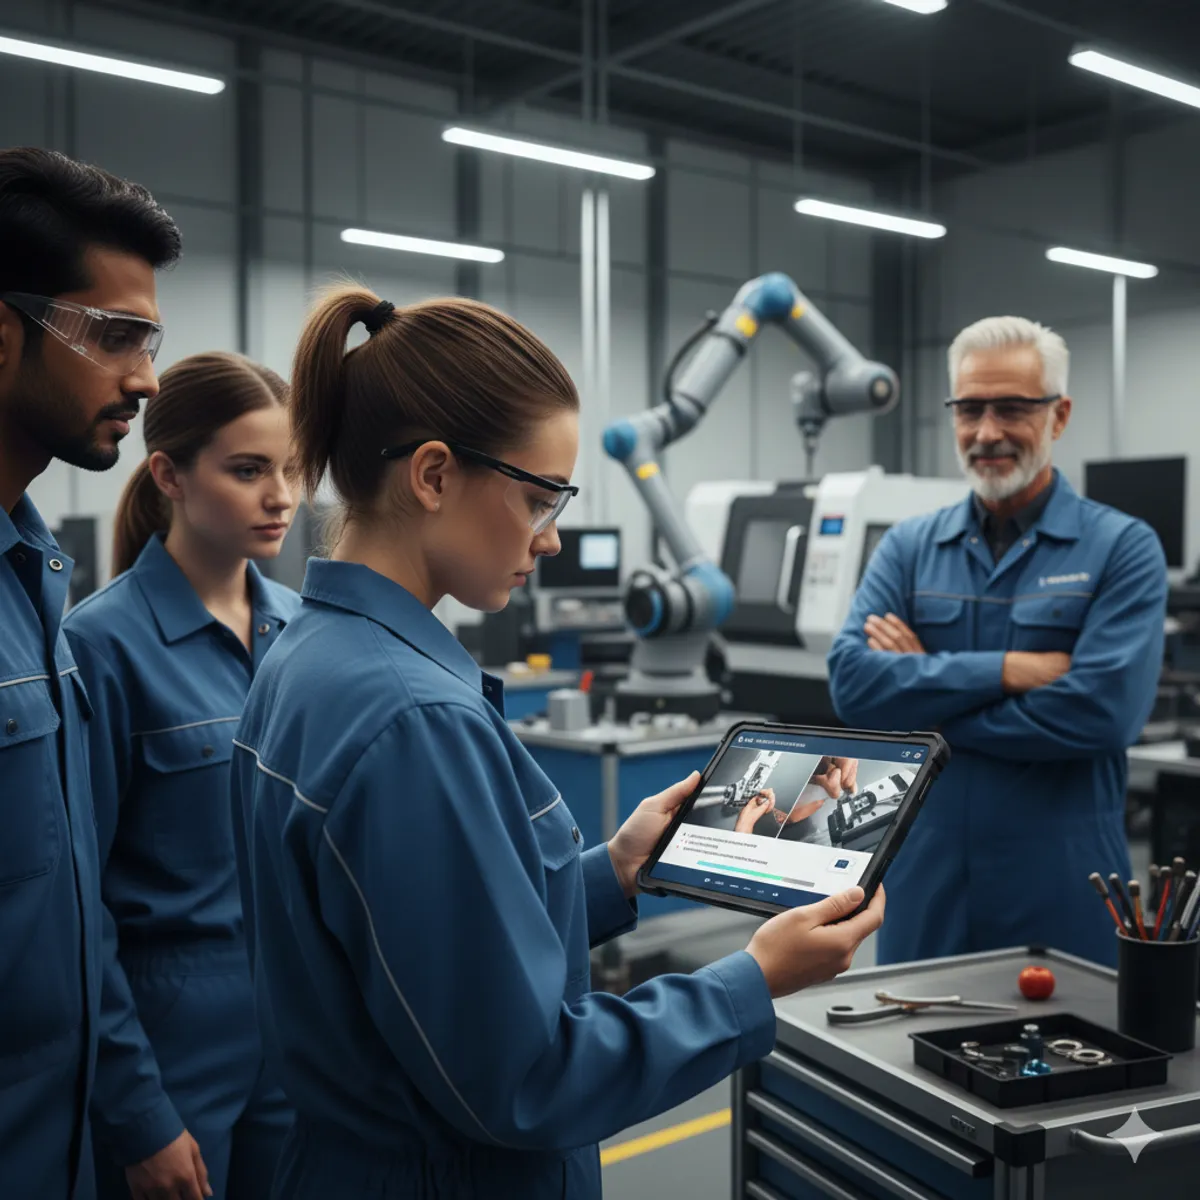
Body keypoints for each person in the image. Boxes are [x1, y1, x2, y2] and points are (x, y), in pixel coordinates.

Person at [230, 287, 885, 1200]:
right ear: (432, 476)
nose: (552, 535)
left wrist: (610, 873)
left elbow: (413, 944)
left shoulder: (310, 655)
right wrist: (753, 981)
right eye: (540, 497)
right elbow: (527, 1077)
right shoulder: (412, 721)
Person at [828, 315, 1167, 967]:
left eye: (1012, 408)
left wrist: (922, 689)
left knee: (1070, 1056)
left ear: (1059, 416)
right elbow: (851, 685)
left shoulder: (1121, 548)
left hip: (1063, 879)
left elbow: (1101, 712)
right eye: (971, 409)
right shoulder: (909, 548)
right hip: (923, 878)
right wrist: (1011, 669)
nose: (987, 433)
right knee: (903, 1059)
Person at [64, 352, 300, 1200]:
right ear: (168, 472)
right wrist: (138, 1112)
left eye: (292, 470)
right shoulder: (99, 648)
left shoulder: (302, 634)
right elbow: (73, 904)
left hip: (299, 1030)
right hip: (171, 1043)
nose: (280, 496)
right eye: (248, 471)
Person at [0, 147, 180, 1200]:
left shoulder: (37, 584)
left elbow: (70, 906)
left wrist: (130, 1108)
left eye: (149, 341)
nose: (146, 379)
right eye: (113, 336)